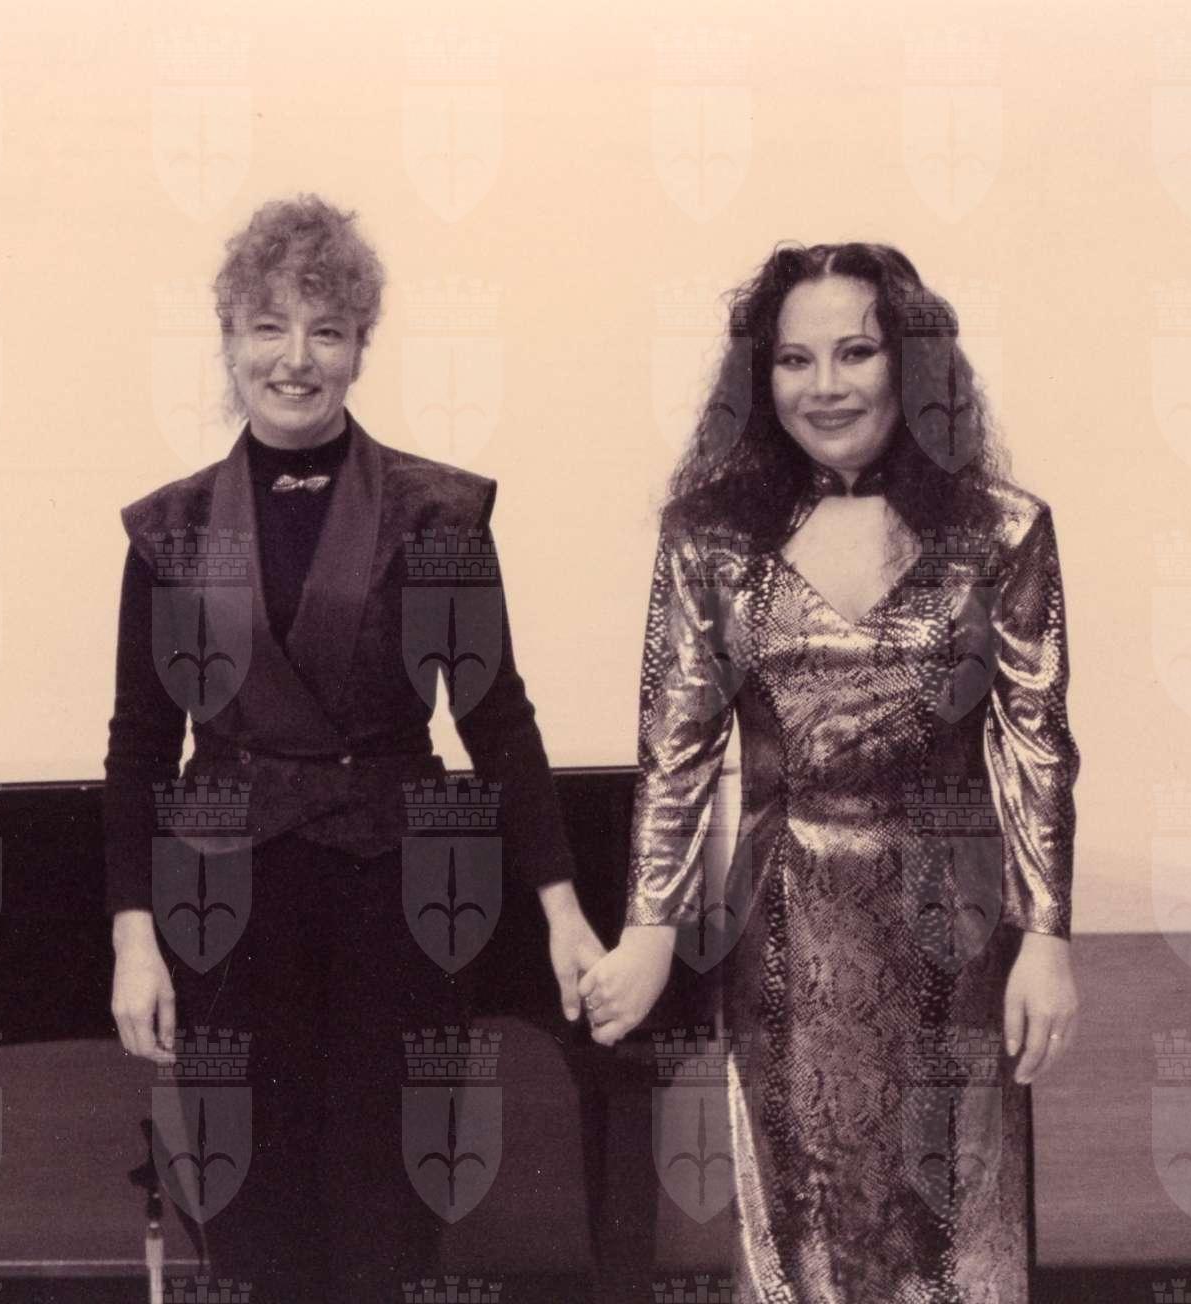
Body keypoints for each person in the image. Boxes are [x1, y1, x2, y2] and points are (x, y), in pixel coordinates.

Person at [103, 193, 605, 1301]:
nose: (297, 358)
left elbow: (496, 717)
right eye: (270, 327)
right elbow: (138, 743)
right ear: (229, 337)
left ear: (360, 347)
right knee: (248, 1204)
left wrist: (562, 907)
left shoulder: (439, 514)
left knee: (388, 1204)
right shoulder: (169, 531)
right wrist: (133, 936)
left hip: (398, 897)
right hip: (223, 904)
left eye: (326, 331)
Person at [578, 242, 1081, 1301]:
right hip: (782, 922)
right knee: (801, 1221)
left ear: (911, 362)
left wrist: (1047, 938)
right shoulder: (709, 539)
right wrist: (649, 927)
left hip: (954, 926)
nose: (825, 386)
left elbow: (1035, 742)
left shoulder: (1001, 530)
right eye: (794, 360)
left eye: (856, 352)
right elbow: (675, 749)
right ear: (759, 378)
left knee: (952, 1227)